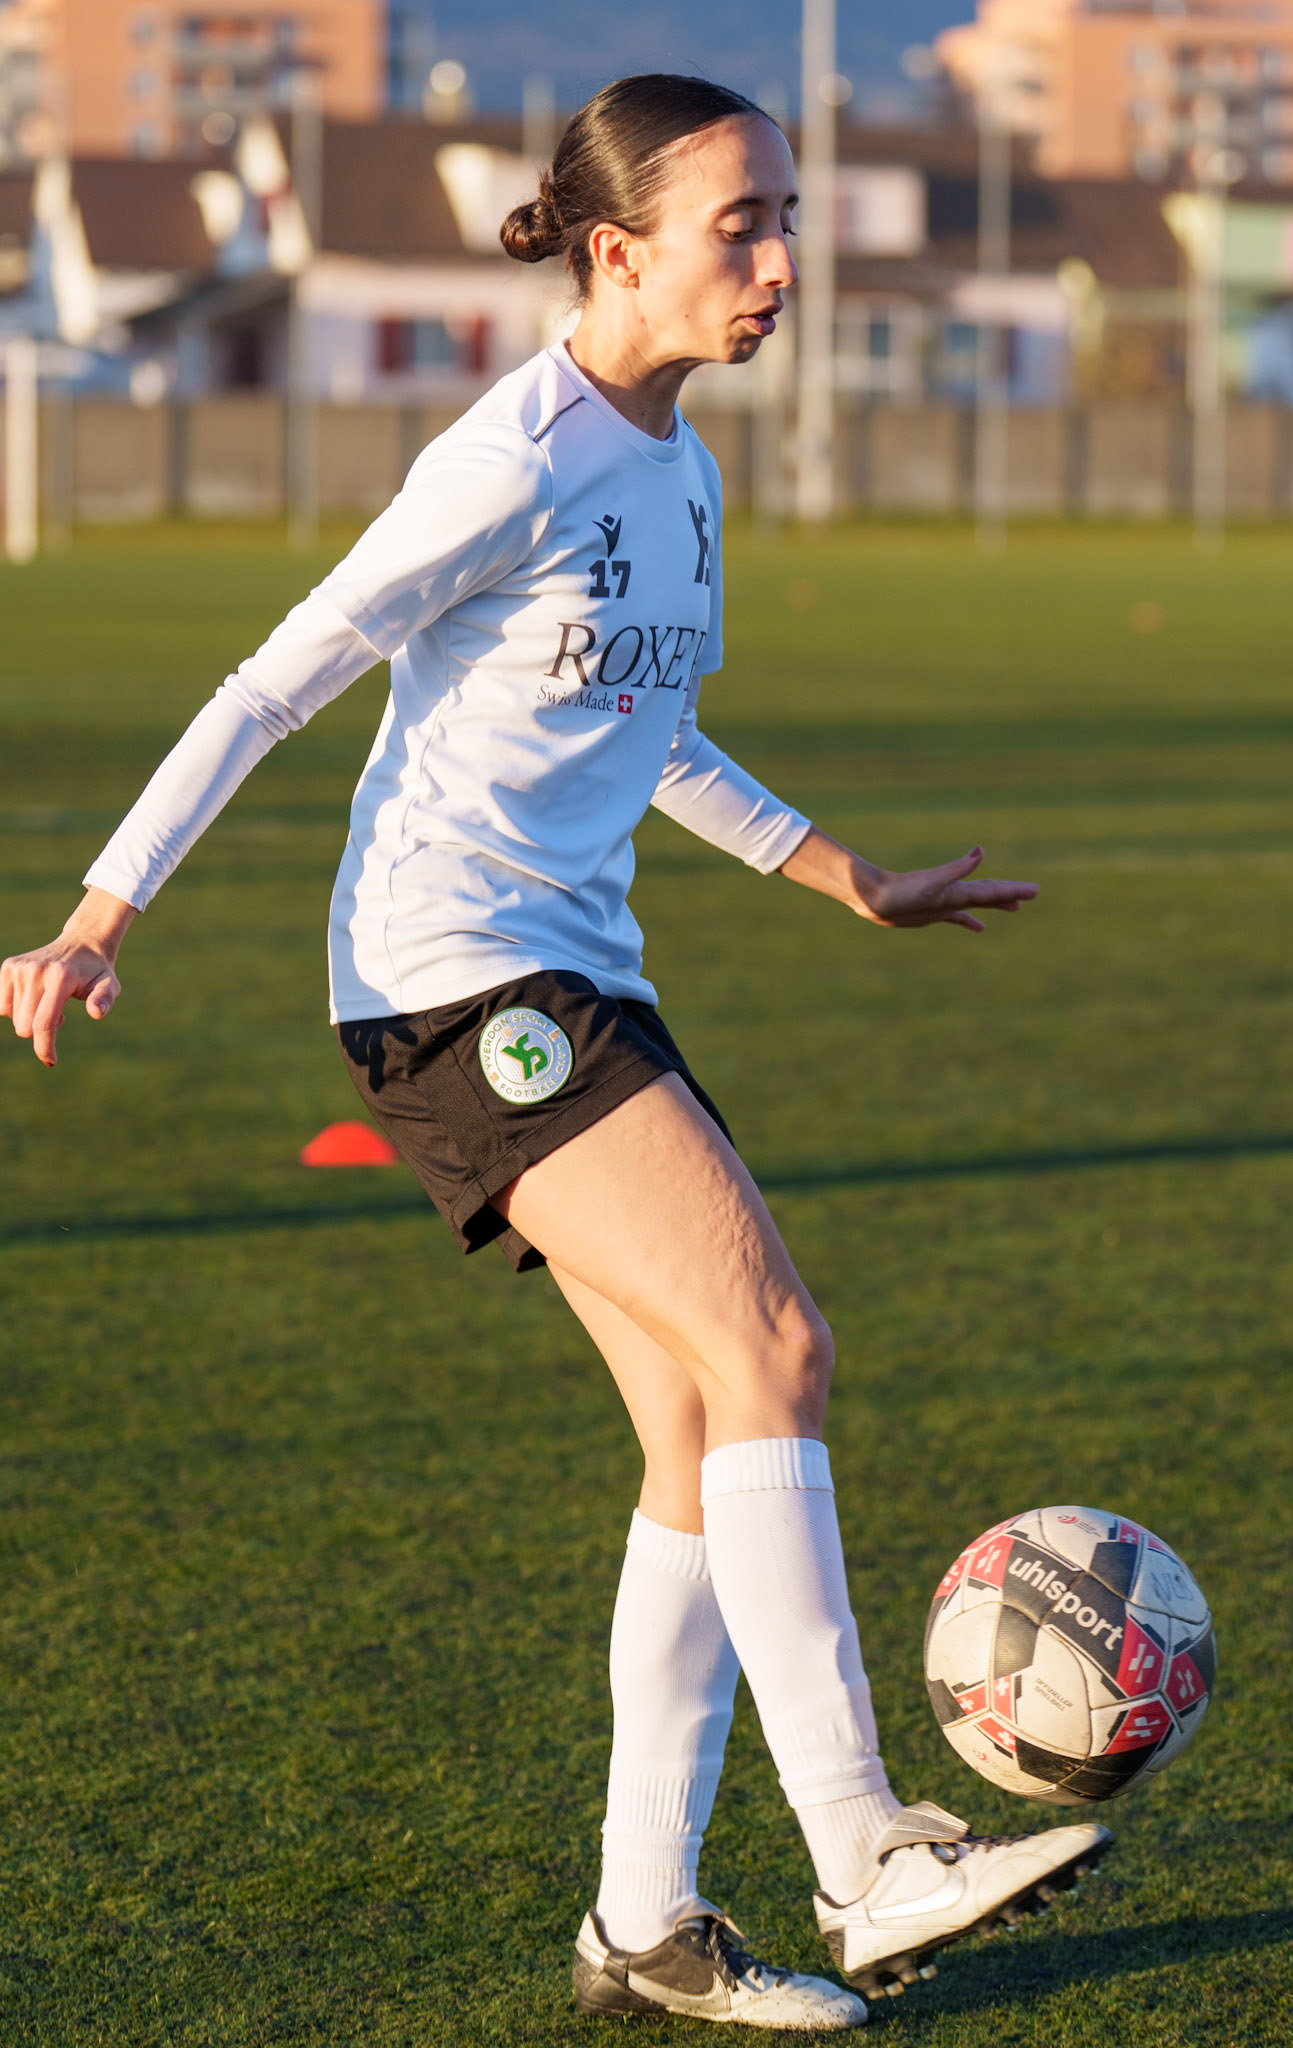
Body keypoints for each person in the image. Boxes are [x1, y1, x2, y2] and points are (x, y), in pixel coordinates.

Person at [0, 74, 1112, 2031]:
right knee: (775, 1348)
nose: (778, 261)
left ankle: (642, 1924)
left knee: (696, 1420)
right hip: (453, 980)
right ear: (616, 250)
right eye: (738, 224)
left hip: (571, 970)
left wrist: (840, 874)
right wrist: (102, 913)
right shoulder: (506, 460)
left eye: (787, 216)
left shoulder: (677, 469)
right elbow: (272, 681)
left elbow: (647, 731)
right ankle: (866, 1850)